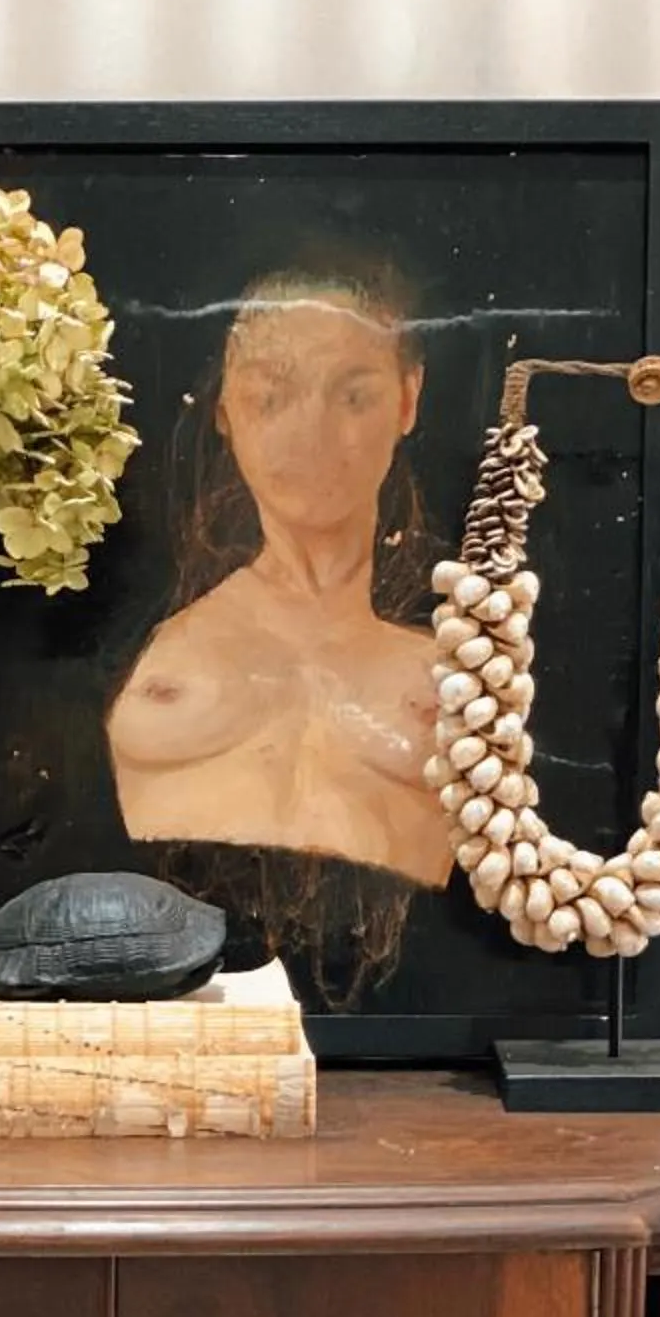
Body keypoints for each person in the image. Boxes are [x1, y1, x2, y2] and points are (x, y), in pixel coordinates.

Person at [107, 268, 449, 889]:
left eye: (352, 396)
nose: (308, 436)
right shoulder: (130, 616)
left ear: (408, 398)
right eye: (269, 397)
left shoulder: (473, 626)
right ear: (224, 410)